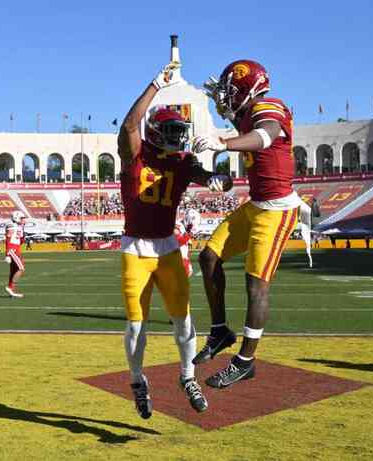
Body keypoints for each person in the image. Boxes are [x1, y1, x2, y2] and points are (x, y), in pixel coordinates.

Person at [117, 61, 232, 418]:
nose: (177, 137)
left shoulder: (182, 161)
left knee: (183, 320)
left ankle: (187, 376)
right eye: (171, 130)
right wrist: (155, 84)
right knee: (136, 325)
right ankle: (138, 381)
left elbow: (213, 177)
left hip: (167, 246)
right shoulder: (136, 154)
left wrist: (218, 179)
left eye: (179, 131)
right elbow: (129, 125)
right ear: (154, 130)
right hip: (136, 248)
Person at [191, 60, 309, 389]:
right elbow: (240, 120)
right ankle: (220, 332)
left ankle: (245, 360)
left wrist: (223, 142)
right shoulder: (247, 112)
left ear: (246, 90)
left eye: (230, 92)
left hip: (277, 210)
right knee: (208, 257)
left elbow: (265, 135)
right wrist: (224, 113)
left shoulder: (270, 106)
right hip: (254, 205)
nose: (226, 98)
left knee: (256, 285)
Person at [4, 211, 27, 298]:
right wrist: (7, 254)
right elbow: (8, 240)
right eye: (22, 218)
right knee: (21, 268)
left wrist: (23, 233)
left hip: (16, 249)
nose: (23, 220)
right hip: (12, 250)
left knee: (13, 270)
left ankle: (11, 289)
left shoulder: (19, 226)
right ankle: (10, 287)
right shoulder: (11, 226)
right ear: (16, 218)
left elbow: (20, 241)